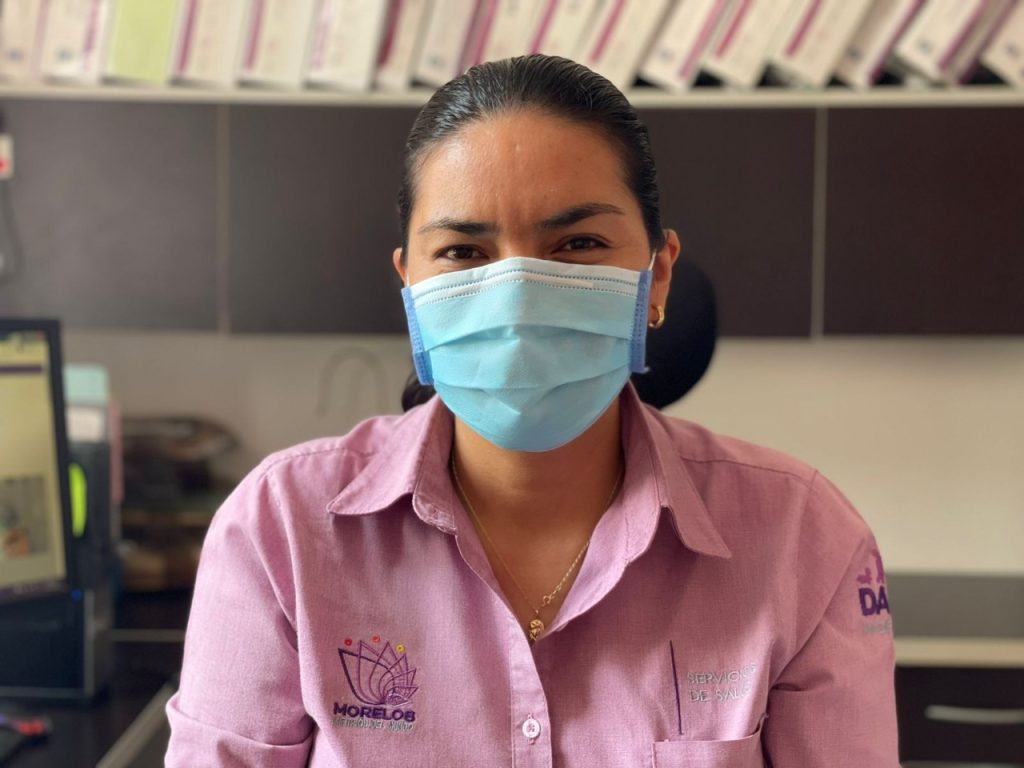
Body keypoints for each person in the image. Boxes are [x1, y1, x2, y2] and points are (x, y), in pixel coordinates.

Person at [165, 55, 898, 767]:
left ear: (658, 276)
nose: (517, 297)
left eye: (577, 243)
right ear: (410, 287)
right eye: (463, 252)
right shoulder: (280, 529)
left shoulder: (802, 540)